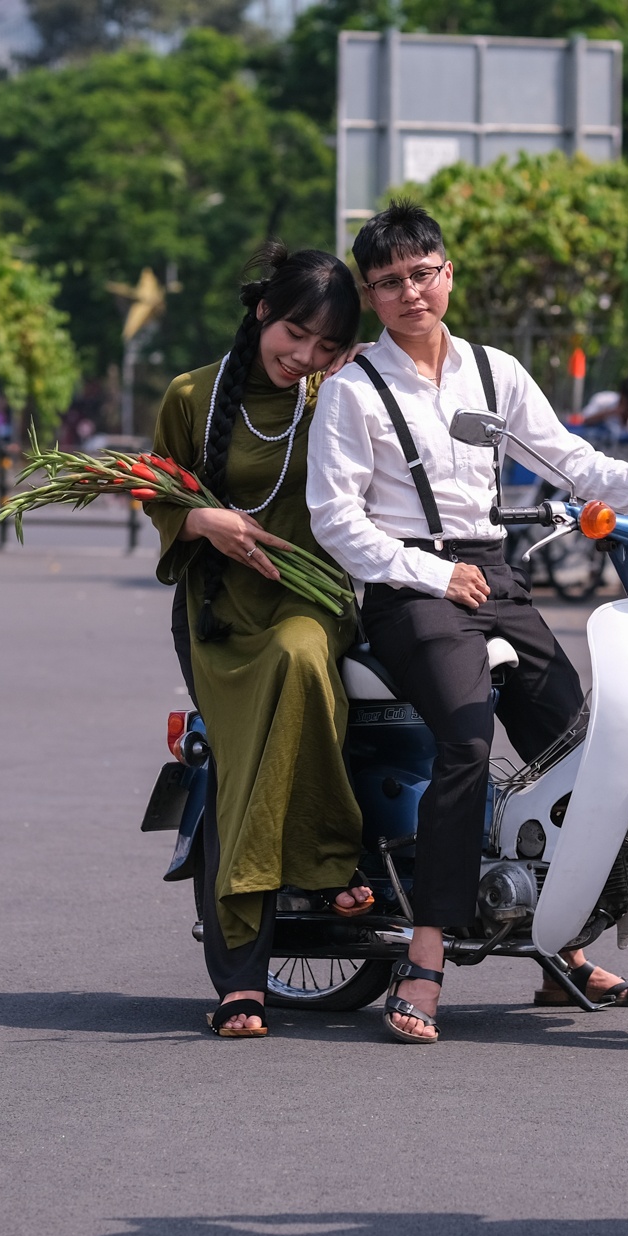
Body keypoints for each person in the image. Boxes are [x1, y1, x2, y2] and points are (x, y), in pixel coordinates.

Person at [308, 200, 628, 1044]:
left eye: (423, 272)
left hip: (492, 572)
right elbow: (337, 522)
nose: (411, 292)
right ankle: (426, 954)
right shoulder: (351, 390)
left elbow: (574, 462)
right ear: (371, 298)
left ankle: (562, 945)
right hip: (405, 584)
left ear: (447, 273)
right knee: (464, 736)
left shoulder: (495, 371)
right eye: (389, 282)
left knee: (580, 744)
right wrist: (429, 571)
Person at [145, 244, 372, 1039]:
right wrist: (200, 519)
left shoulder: (339, 398)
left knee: (302, 654)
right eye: (294, 334)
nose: (303, 357)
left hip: (314, 604)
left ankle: (291, 904)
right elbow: (158, 490)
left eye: (325, 346)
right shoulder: (193, 397)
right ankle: (248, 973)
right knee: (241, 766)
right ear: (262, 312)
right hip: (217, 615)